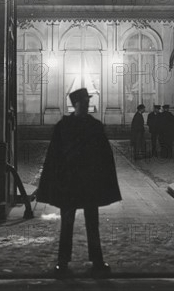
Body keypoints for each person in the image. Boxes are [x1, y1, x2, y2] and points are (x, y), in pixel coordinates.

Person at [37, 88, 122, 278]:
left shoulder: (94, 125)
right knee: (67, 224)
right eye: (83, 101)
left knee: (93, 223)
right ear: (74, 104)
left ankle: (97, 260)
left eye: (87, 101)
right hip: (70, 182)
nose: (86, 104)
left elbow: (104, 156)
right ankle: (62, 261)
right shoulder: (63, 126)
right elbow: (54, 156)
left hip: (89, 182)